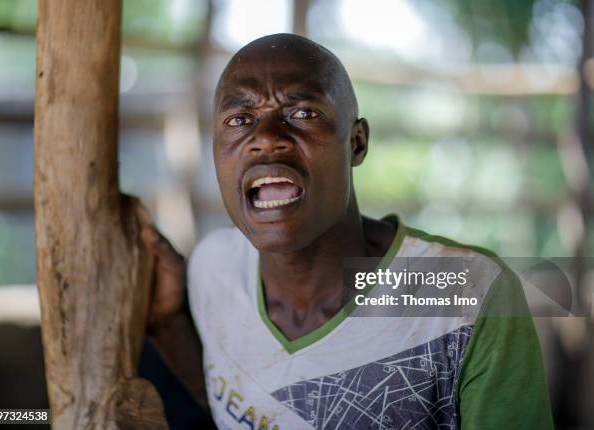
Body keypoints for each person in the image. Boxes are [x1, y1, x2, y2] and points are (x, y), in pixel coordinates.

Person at [142, 33, 553, 429]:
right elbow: (239, 398)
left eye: (303, 114)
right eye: (240, 119)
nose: (266, 138)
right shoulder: (214, 266)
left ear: (356, 143)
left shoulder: (465, 295)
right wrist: (171, 324)